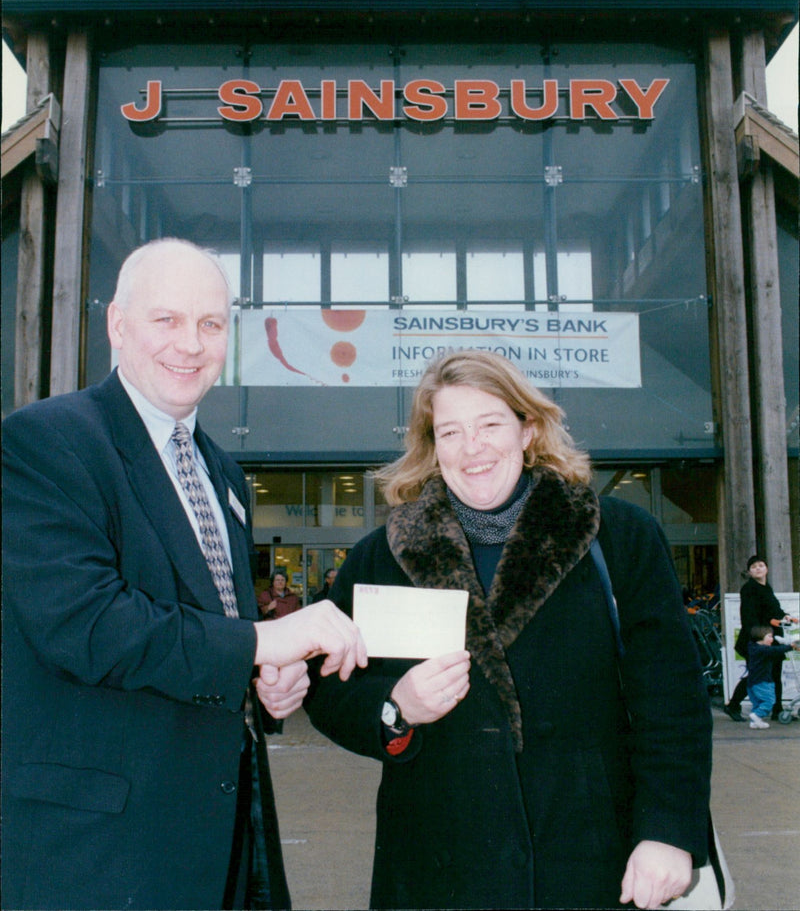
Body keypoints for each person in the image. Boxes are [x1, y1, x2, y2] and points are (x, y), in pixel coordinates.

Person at [1, 238, 367, 911]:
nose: (190, 344)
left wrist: (263, 678)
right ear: (118, 324)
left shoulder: (222, 473)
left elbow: (209, 630)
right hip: (98, 858)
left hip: (220, 845)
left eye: (210, 323)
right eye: (166, 319)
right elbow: (86, 624)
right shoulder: (46, 441)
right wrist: (260, 641)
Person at [305, 350, 713, 911]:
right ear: (432, 446)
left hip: (590, 859)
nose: (472, 448)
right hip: (437, 869)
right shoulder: (387, 554)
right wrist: (395, 706)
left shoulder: (617, 537)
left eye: (490, 425)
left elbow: (673, 699)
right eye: (451, 432)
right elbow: (328, 688)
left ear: (527, 430)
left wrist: (667, 831)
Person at [724, 555, 796, 722]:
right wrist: (762, 637)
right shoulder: (749, 589)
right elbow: (749, 617)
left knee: (774, 674)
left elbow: (774, 610)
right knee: (757, 675)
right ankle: (733, 705)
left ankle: (777, 710)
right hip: (757, 639)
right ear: (749, 572)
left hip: (772, 638)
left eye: (761, 565)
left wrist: (784, 616)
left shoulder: (766, 587)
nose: (758, 568)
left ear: (767, 569)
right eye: (754, 566)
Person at [746, 625, 800, 728]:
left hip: (752, 682)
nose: (772, 639)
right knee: (769, 701)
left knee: (757, 703)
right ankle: (757, 715)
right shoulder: (763, 650)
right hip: (763, 681)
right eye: (770, 636)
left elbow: (774, 649)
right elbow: (775, 650)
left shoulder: (753, 647)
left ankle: (755, 722)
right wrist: (791, 646)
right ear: (760, 637)